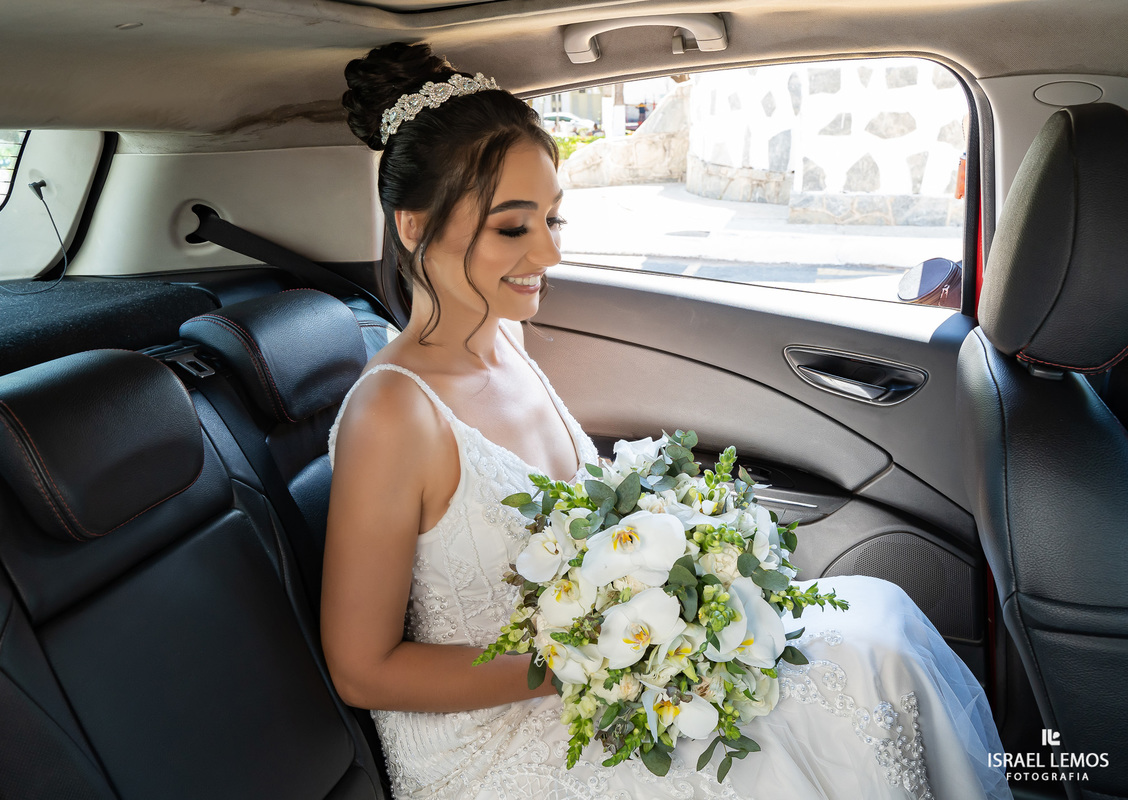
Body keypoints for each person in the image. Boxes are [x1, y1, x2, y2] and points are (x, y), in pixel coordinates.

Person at [322, 42, 1012, 800]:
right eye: (513, 228)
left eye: (554, 218)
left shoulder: (507, 342)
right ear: (413, 227)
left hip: (589, 689)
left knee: (871, 637)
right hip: (494, 742)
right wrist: (594, 661)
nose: (549, 251)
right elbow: (363, 668)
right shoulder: (391, 412)